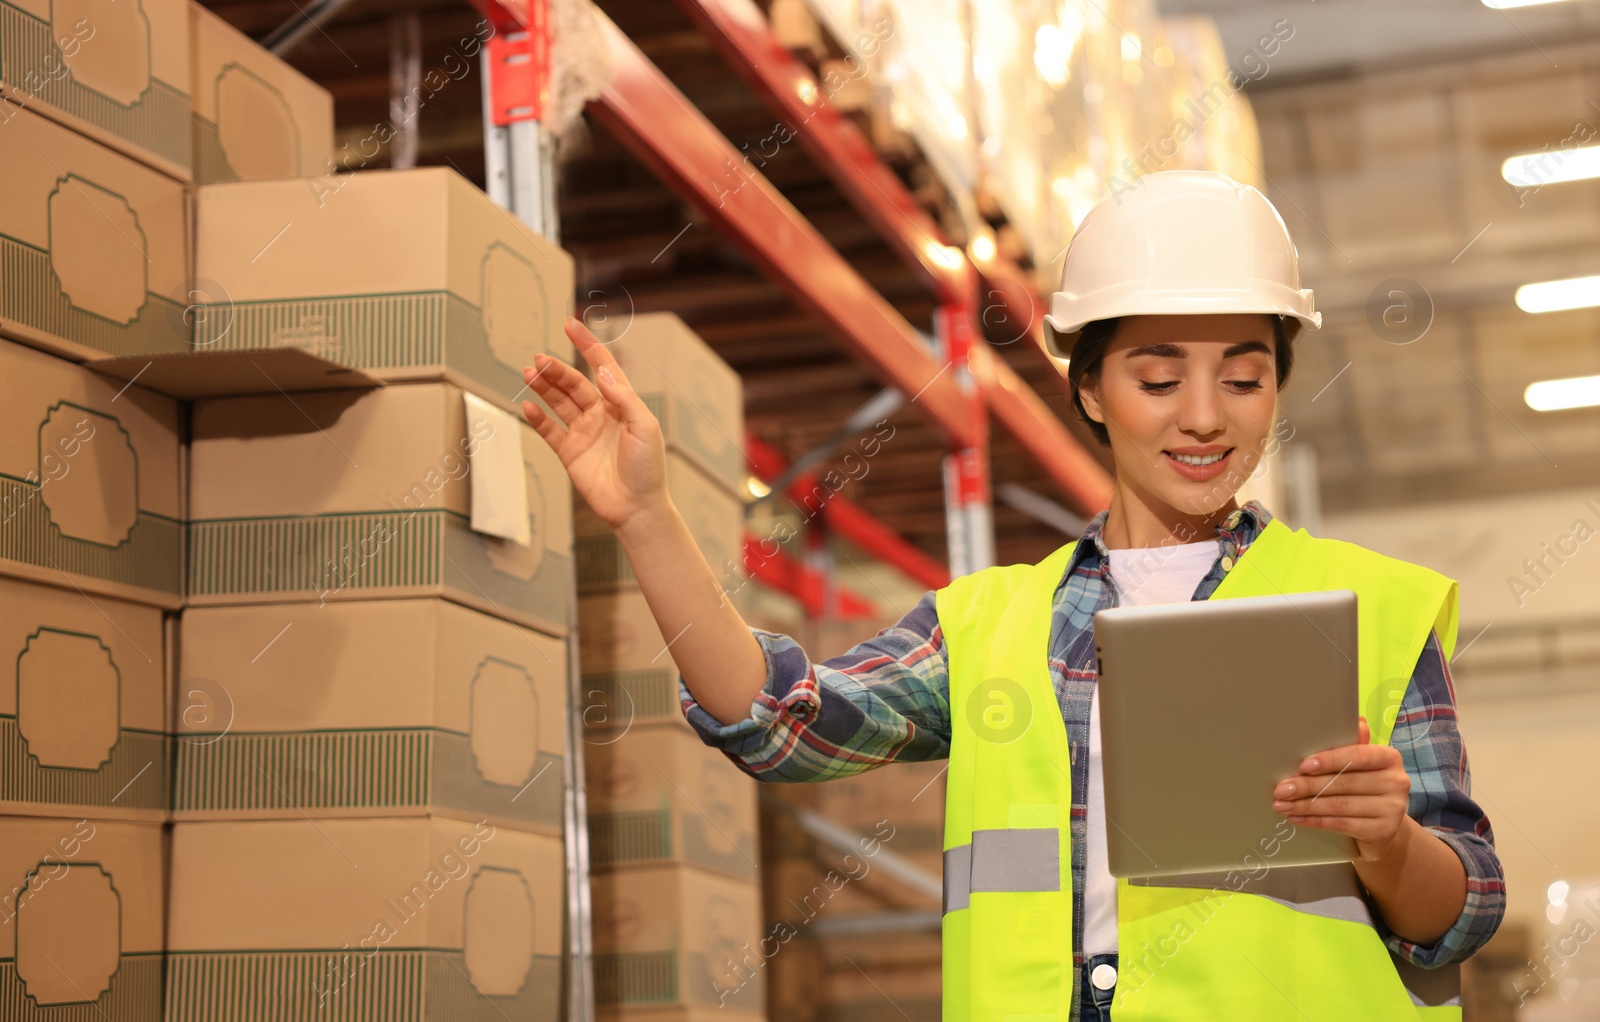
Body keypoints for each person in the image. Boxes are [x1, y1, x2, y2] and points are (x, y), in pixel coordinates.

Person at [520, 170, 1505, 1022]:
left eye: (1243, 380)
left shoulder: (1374, 611)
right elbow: (780, 723)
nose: (1204, 417)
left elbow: (1457, 911)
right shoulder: (989, 624)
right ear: (1087, 387)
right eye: (1158, 379)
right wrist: (646, 515)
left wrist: (1387, 839)